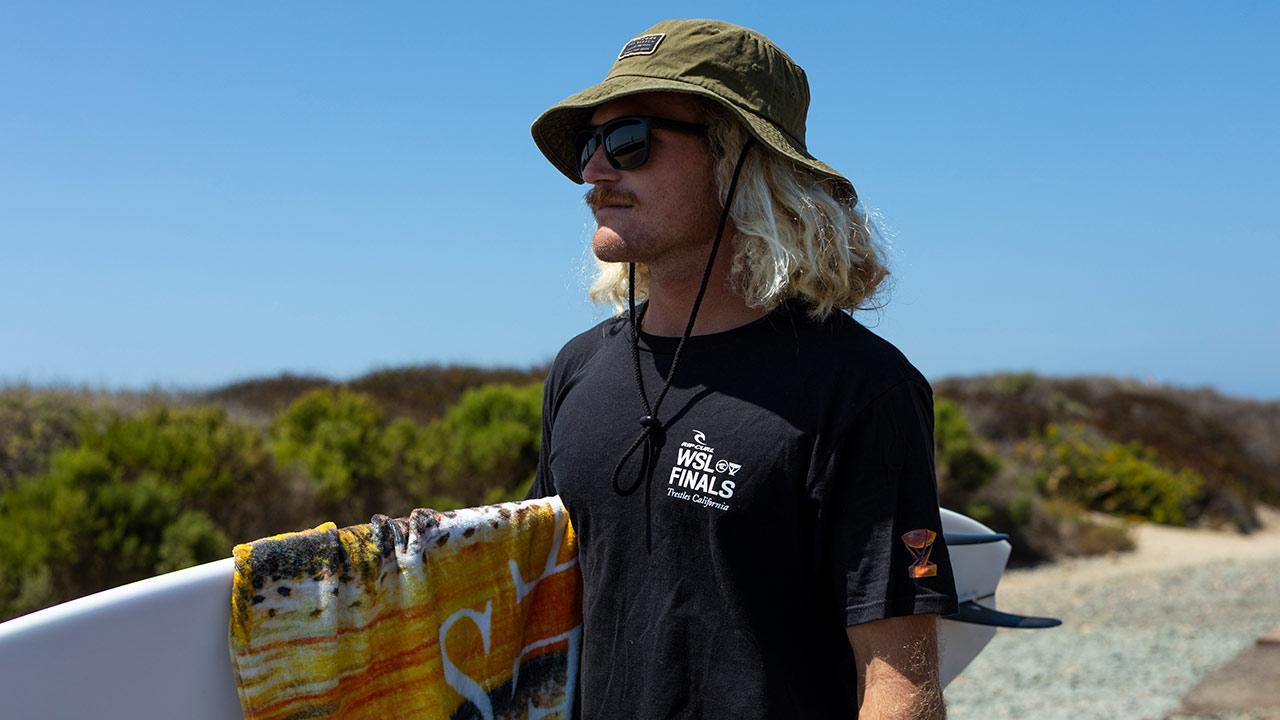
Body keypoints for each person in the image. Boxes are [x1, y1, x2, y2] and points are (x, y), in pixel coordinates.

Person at [526, 19, 958, 719]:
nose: (595, 172)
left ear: (740, 159)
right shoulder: (578, 370)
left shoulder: (857, 388)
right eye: (589, 145)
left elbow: (899, 678)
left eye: (629, 141)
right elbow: (537, 624)